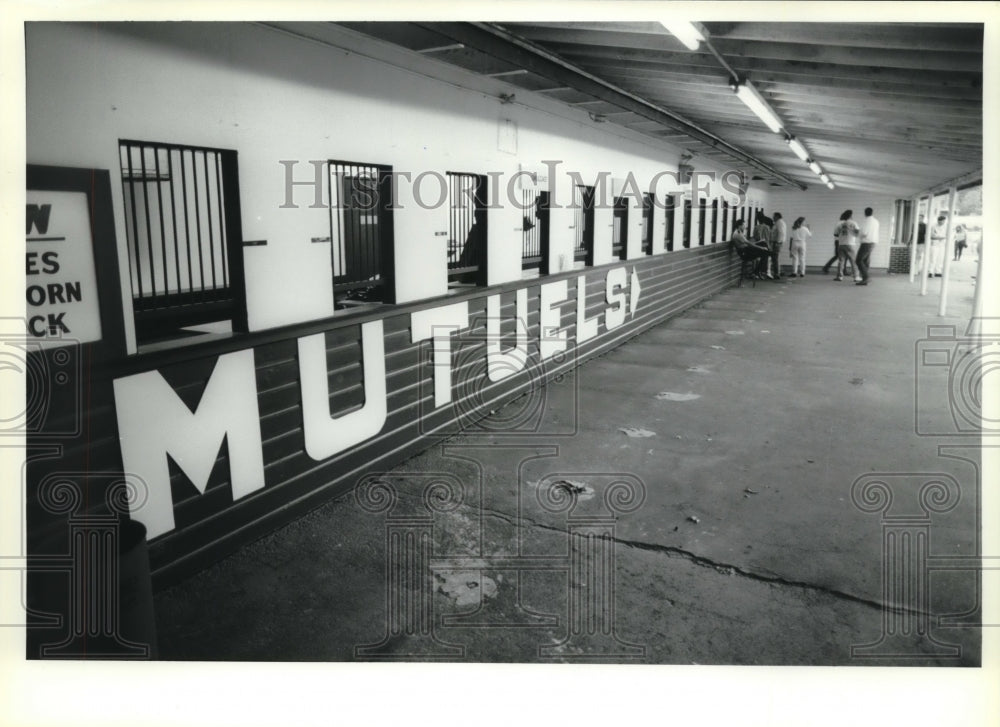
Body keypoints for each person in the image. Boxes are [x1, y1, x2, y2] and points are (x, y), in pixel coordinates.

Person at [833, 210, 861, 283]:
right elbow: (858, 233)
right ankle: (856, 277)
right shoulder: (853, 223)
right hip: (850, 244)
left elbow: (835, 234)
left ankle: (839, 276)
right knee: (853, 261)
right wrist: (853, 234)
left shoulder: (839, 224)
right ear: (850, 216)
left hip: (841, 244)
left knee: (841, 261)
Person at [855, 207, 879, 286]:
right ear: (872, 213)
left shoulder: (866, 221)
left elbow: (864, 232)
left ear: (865, 213)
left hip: (866, 242)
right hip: (873, 242)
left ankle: (866, 277)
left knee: (858, 260)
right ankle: (865, 279)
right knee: (866, 260)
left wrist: (857, 232)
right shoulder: (876, 221)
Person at [770, 212, 787, 278]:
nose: (773, 218)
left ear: (777, 217)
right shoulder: (779, 222)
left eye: (773, 216)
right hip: (777, 242)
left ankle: (776, 273)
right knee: (775, 258)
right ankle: (777, 272)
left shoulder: (779, 223)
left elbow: (781, 233)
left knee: (775, 258)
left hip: (777, 242)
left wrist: (778, 242)